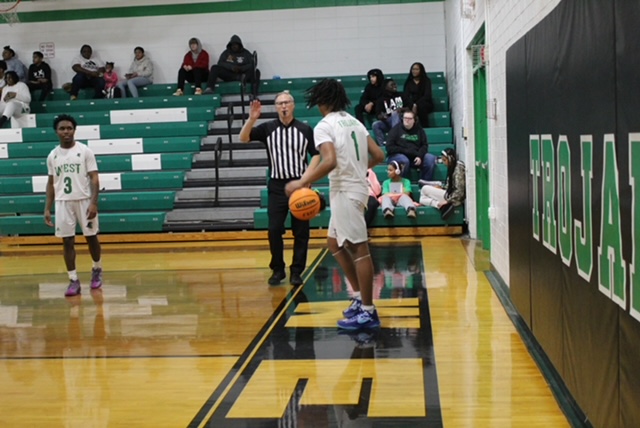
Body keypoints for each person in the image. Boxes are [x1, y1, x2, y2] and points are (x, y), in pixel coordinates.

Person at [285, 79, 385, 330]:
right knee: (334, 243)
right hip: (355, 188)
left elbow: (328, 161)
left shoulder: (324, 125)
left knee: (359, 249)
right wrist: (358, 168)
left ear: (321, 100)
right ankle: (358, 300)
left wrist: (302, 182)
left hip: (346, 191)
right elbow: (380, 156)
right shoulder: (355, 122)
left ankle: (368, 311)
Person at [238, 91, 319, 286]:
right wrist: (251, 119)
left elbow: (316, 154)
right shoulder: (267, 128)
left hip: (299, 185)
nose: (283, 106)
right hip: (277, 186)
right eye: (279, 103)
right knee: (274, 229)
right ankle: (277, 269)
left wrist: (308, 177)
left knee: (301, 232)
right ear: (276, 107)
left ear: (293, 105)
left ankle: (297, 271)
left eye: (286, 103)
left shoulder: (305, 129)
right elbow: (243, 138)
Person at [44, 114, 103, 297]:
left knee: (91, 237)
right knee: (67, 241)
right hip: (63, 202)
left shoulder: (85, 151)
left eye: (69, 128)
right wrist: (47, 207)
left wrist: (94, 202)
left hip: (84, 200)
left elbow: (94, 178)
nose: (66, 131)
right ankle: (73, 279)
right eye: (62, 128)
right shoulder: (52, 155)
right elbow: (51, 182)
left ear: (74, 130)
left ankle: (96, 269)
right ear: (56, 131)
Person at [386, 109, 436, 182]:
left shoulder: (419, 130)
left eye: (409, 119)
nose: (407, 120)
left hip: (415, 157)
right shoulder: (395, 130)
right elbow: (389, 147)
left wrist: (420, 156)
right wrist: (406, 151)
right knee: (404, 160)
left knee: (430, 158)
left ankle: (425, 183)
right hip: (397, 156)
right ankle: (400, 183)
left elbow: (424, 145)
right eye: (405, 118)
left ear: (414, 120)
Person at [419, 148, 466, 220]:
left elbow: (459, 191)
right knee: (421, 200)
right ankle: (438, 204)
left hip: (453, 199)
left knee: (424, 189)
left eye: (444, 160)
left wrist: (447, 201)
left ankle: (441, 204)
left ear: (450, 159)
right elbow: (450, 185)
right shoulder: (452, 167)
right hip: (449, 194)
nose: (443, 163)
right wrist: (442, 188)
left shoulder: (458, 168)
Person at [371, 78, 407, 146]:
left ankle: (395, 140)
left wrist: (401, 109)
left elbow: (410, 108)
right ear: (386, 87)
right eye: (392, 85)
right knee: (375, 124)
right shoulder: (381, 99)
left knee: (395, 113)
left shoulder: (402, 95)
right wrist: (382, 116)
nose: (395, 86)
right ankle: (382, 145)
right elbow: (378, 115)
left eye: (395, 84)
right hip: (389, 121)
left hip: (403, 120)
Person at [403, 62, 434, 128]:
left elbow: (427, 95)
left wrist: (416, 104)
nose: (414, 71)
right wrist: (413, 104)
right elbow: (406, 96)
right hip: (411, 103)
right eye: (413, 69)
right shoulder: (408, 82)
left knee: (422, 107)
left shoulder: (426, 81)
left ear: (421, 70)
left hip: (424, 102)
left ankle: (424, 127)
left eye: (417, 69)